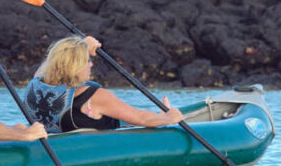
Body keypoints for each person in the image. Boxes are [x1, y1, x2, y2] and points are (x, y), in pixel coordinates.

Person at [24, 35, 184, 133]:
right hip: (92, 151)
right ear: (76, 66)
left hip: (53, 143)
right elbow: (141, 118)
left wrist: (83, 44)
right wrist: (168, 118)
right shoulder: (95, 97)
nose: (91, 65)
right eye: (87, 61)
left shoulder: (35, 84)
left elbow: (51, 63)